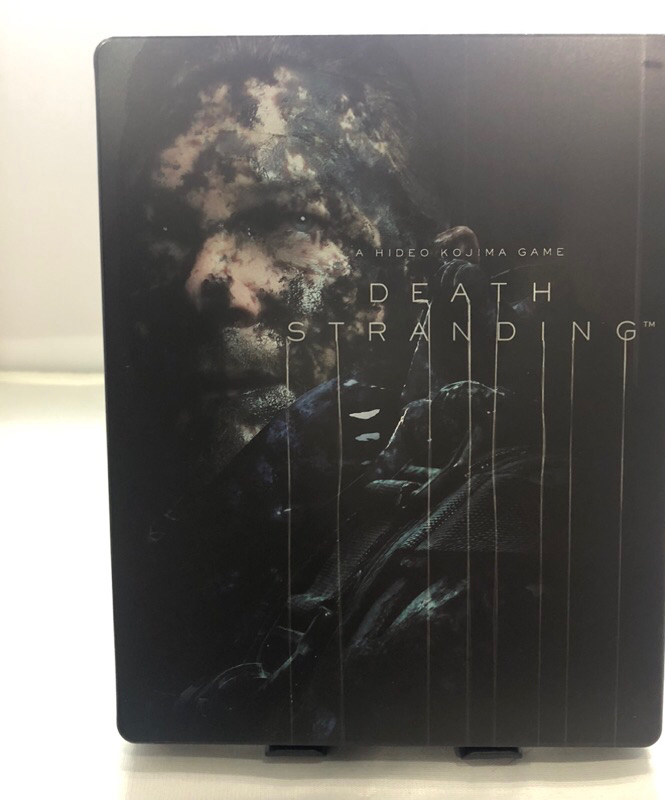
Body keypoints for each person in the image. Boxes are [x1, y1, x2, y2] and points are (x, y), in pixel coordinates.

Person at [122, 37, 545, 745]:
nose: (203, 280)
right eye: (164, 225)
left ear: (430, 267)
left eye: (288, 221)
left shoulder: (476, 558)